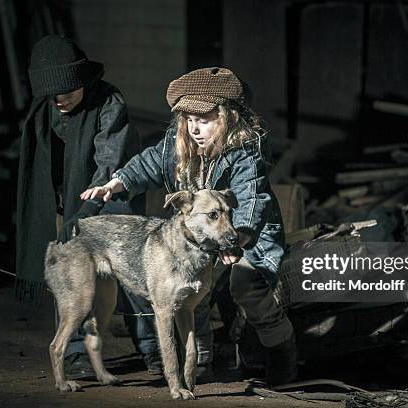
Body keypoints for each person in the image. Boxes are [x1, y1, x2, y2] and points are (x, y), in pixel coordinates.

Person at [80, 67, 298, 386]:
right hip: (197, 239)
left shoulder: (244, 155)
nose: (194, 128)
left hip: (245, 236)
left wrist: (235, 242)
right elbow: (151, 163)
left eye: (204, 119)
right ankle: (202, 361)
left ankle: (282, 353)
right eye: (189, 120)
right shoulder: (178, 142)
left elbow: (251, 203)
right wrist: (116, 183)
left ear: (228, 118)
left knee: (246, 286)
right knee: (189, 289)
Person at [15, 35, 161, 379]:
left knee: (130, 273)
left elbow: (109, 160)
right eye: (53, 95)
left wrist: (90, 208)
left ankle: (151, 345)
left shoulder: (109, 102)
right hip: (68, 202)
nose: (60, 100)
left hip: (113, 198)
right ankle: (76, 352)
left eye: (67, 92)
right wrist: (66, 213)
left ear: (82, 80)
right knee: (71, 277)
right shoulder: (46, 110)